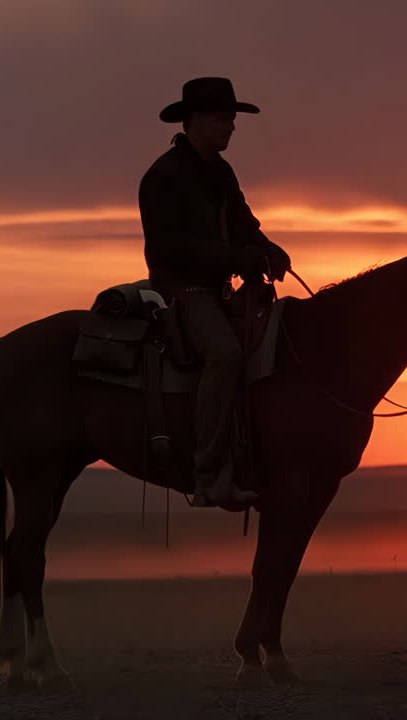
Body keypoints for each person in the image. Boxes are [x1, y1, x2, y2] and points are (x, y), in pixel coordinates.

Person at [139, 77, 291, 510]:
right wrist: (238, 258)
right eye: (224, 118)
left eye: (231, 118)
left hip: (216, 288)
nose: (232, 126)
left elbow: (244, 224)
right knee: (225, 353)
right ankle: (208, 476)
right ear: (196, 120)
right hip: (180, 288)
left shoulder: (221, 173)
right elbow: (172, 249)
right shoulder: (164, 176)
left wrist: (268, 250)